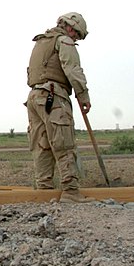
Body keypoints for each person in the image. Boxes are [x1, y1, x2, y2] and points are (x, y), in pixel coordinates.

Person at [25, 12, 94, 203]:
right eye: (77, 35)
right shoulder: (64, 41)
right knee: (64, 143)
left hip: (35, 97)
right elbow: (72, 69)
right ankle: (71, 191)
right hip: (53, 96)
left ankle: (44, 191)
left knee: (42, 145)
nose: (76, 39)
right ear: (71, 28)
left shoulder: (41, 42)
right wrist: (83, 94)